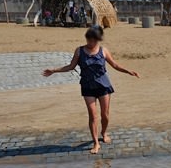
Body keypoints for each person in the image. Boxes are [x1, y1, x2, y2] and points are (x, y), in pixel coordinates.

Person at [42, 25, 140, 154]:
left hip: (103, 85)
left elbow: (115, 65)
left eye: (92, 40)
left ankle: (104, 133)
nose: (90, 42)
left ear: (97, 40)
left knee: (105, 114)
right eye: (88, 39)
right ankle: (96, 143)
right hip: (87, 85)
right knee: (93, 116)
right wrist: (54, 70)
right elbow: (71, 66)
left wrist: (128, 71)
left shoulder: (103, 51)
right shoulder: (79, 51)